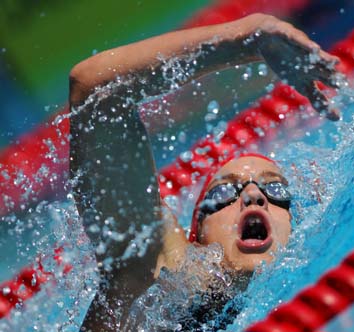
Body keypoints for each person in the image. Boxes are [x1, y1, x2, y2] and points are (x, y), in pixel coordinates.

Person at [69, 13, 340, 330]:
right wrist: (244, 40)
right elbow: (95, 88)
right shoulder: (160, 275)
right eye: (226, 192)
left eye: (275, 191)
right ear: (196, 238)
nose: (254, 196)